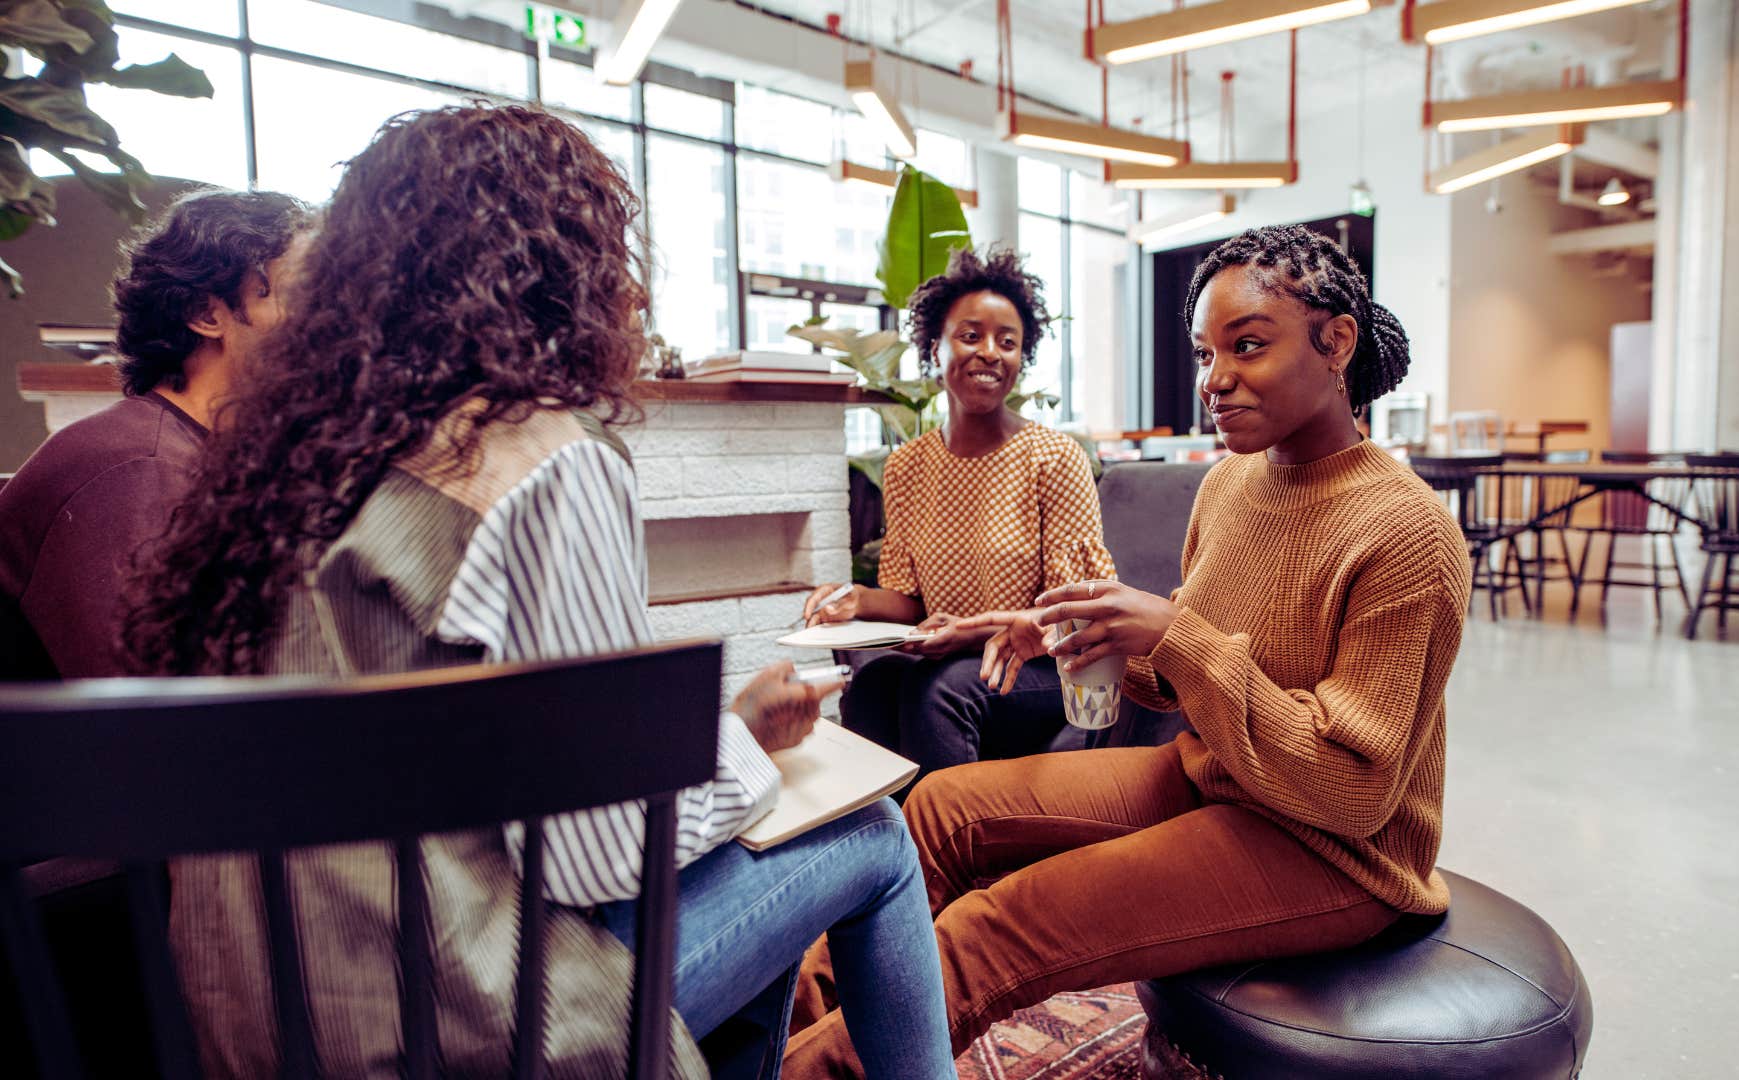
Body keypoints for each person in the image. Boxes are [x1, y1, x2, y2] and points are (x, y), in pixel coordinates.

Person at [123, 103, 953, 1080]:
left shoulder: (280, 470)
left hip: (260, 1030)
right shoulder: (541, 457)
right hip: (461, 1033)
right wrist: (749, 754)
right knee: (870, 835)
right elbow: (597, 861)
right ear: (564, 270)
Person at [784, 225, 1472, 1078]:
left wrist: (1177, 637)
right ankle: (759, 1039)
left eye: (1248, 346)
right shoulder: (1228, 484)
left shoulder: (1407, 531)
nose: (1215, 381)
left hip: (1335, 851)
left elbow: (1352, 791)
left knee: (994, 929)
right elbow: (1169, 680)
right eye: (1205, 353)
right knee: (935, 814)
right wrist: (1086, 633)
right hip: (1213, 776)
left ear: (1336, 342)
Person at [801, 247, 1113, 780]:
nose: (990, 353)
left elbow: (1080, 612)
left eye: (1007, 342)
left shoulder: (1055, 457)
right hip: (958, 662)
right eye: (971, 336)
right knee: (875, 684)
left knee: (937, 689)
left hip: (1043, 666)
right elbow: (906, 600)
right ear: (934, 346)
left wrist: (970, 632)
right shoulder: (906, 467)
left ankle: (948, 857)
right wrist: (851, 600)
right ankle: (888, 846)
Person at [0, 188, 310, 679]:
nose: (332, 319)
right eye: (303, 293)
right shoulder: (139, 469)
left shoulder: (213, 456)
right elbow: (157, 715)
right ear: (208, 316)